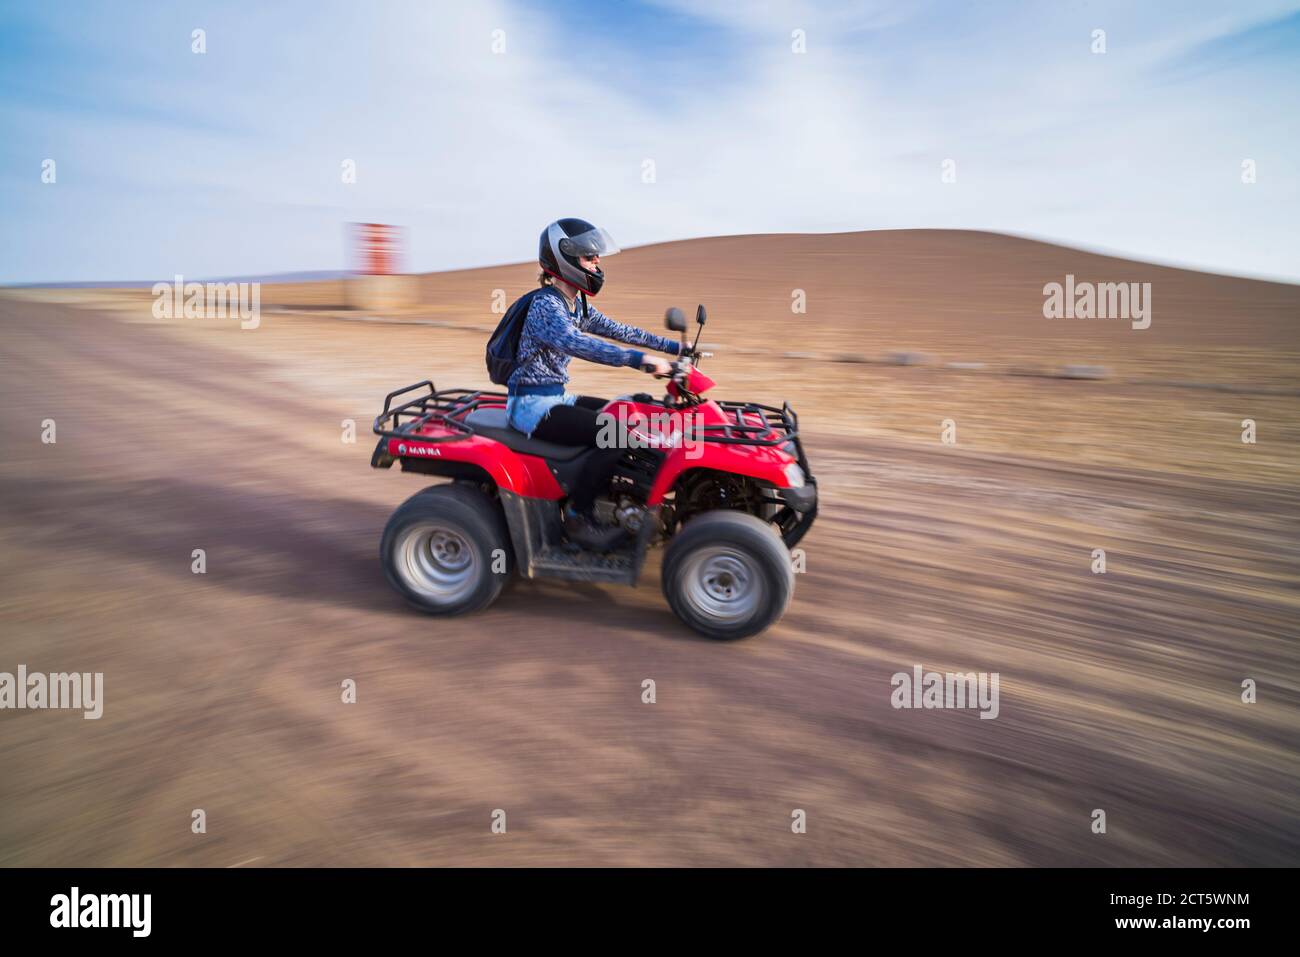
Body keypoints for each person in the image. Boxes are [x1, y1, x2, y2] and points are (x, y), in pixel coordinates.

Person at [506, 218, 679, 543]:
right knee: (615, 435)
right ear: (565, 259)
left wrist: (673, 348)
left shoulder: (576, 304)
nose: (597, 262)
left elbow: (620, 330)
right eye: (589, 257)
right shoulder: (546, 306)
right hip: (532, 407)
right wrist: (638, 360)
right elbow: (578, 343)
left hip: (557, 398)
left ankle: (631, 497)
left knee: (636, 407)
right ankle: (578, 515)